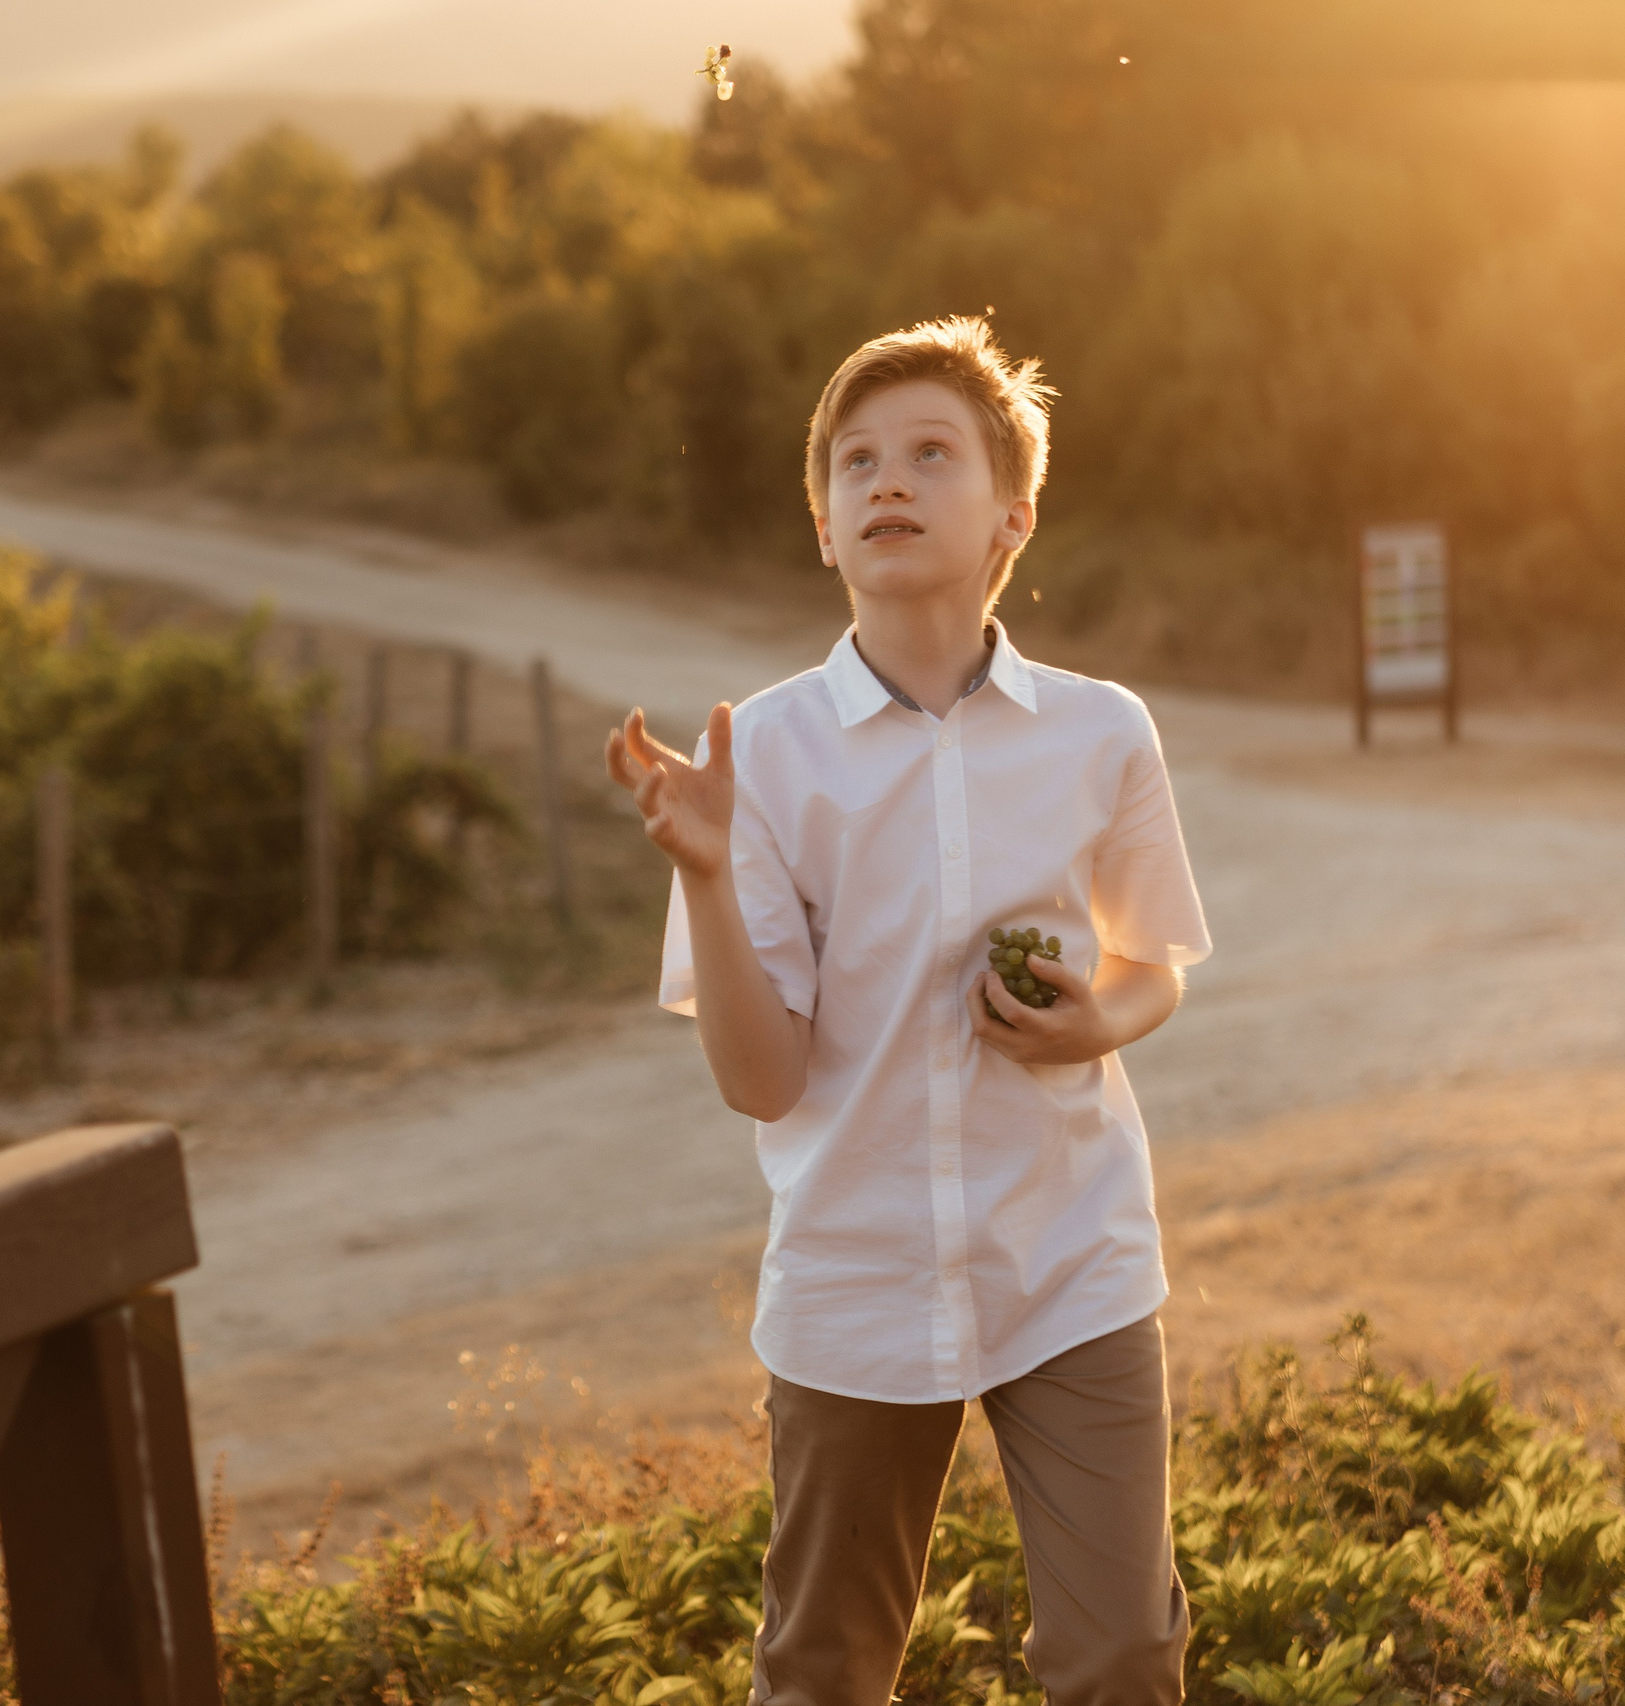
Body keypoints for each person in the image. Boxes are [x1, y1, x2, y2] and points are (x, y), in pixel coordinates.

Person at [605, 317, 1212, 1705]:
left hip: (1075, 1262)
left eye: (931, 453)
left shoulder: (1102, 730)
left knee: (1123, 1654)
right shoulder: (758, 760)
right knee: (824, 1670)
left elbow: (1152, 961)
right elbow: (763, 1080)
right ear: (823, 525)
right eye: (856, 462)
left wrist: (1094, 1020)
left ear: (1015, 512)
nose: (888, 479)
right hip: (855, 1279)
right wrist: (703, 873)